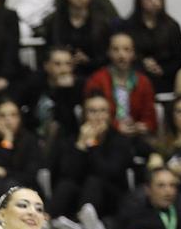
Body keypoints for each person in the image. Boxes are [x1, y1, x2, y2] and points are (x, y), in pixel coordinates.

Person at [47, 92, 132, 220]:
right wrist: (81, 145)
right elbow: (67, 174)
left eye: (103, 111)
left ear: (109, 115)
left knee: (94, 181)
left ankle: (84, 222)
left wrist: (93, 145)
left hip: (110, 198)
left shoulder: (120, 141)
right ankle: (44, 221)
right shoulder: (72, 140)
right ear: (84, 116)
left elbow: (108, 173)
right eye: (92, 111)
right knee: (66, 186)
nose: (98, 117)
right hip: (79, 197)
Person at [38, 0, 113, 81]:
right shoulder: (55, 21)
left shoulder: (101, 23)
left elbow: (106, 56)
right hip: (59, 72)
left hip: (92, 73)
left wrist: (88, 60)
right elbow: (47, 50)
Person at [83, 32, 158, 136]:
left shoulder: (143, 82)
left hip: (136, 137)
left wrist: (142, 126)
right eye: (115, 50)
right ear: (108, 52)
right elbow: (90, 114)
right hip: (104, 135)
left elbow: (150, 118)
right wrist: (116, 126)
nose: (121, 55)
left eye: (126, 50)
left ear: (133, 54)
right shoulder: (96, 80)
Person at [121, 0, 181, 95]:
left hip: (166, 78)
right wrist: (143, 63)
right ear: (139, 0)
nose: (154, 1)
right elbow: (124, 56)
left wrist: (162, 69)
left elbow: (179, 60)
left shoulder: (172, 26)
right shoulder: (128, 26)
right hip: (136, 79)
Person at [0, 98, 42, 205]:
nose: (8, 120)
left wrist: (4, 171)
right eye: (2, 116)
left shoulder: (29, 140)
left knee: (9, 184)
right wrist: (7, 142)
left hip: (25, 188)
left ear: (20, 119)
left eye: (13, 115)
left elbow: (29, 175)